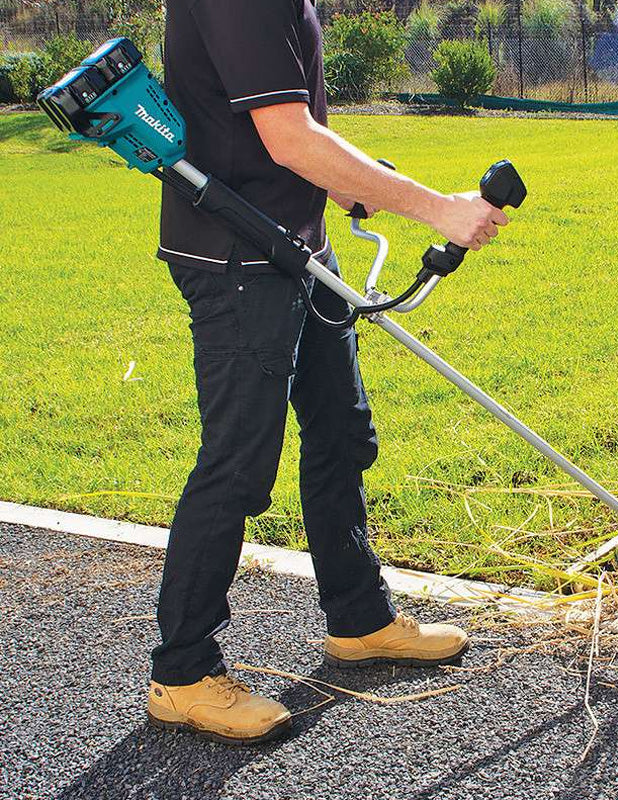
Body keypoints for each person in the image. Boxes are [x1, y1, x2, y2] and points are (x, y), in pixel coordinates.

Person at [146, 0, 509, 745]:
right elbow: (288, 137)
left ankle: (359, 620)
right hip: (238, 259)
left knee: (342, 431)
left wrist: (352, 183)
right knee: (238, 464)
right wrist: (438, 210)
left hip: (296, 247)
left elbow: (285, 128)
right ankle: (182, 675)